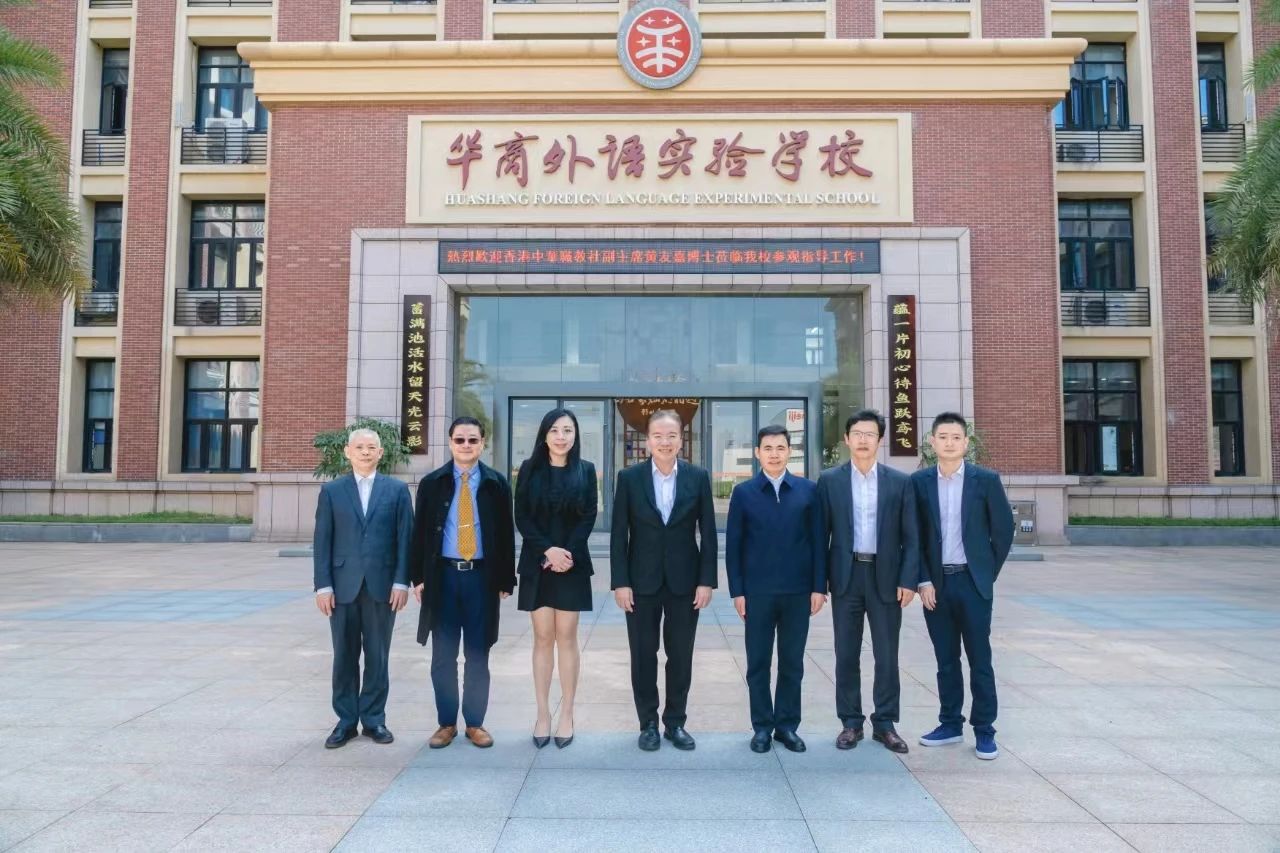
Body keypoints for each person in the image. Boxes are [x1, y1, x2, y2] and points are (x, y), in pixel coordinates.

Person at [610, 409, 717, 752]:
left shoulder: (698, 477)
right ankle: (648, 724)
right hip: (640, 582)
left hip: (686, 583)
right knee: (643, 655)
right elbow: (618, 535)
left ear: (681, 439)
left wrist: (706, 581)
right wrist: (620, 582)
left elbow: (709, 533)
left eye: (671, 436)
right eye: (658, 436)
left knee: (680, 655)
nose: (665, 442)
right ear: (648, 440)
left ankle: (675, 723)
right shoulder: (629, 478)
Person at [910, 412, 1014, 760]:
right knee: (945, 660)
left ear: (966, 443)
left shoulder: (986, 480)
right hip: (935, 586)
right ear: (932, 442)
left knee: (980, 658)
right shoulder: (920, 482)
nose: (949, 443)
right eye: (943, 437)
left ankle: (984, 729)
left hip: (972, 583)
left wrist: (985, 573)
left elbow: (1003, 531)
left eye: (956, 437)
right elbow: (914, 536)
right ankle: (950, 724)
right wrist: (923, 579)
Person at [408, 416, 516, 750]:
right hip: (442, 578)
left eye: (472, 440)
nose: (466, 445)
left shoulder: (497, 484)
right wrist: (418, 577)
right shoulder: (432, 483)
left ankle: (475, 723)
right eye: (459, 440)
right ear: (450, 443)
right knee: (443, 655)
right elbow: (419, 533)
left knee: (478, 653)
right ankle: (446, 724)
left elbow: (505, 534)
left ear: (482, 443)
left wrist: (506, 577)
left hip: (482, 578)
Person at [817, 410, 920, 754]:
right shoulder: (830, 481)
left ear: (880, 440)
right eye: (857, 434)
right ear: (847, 439)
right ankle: (850, 722)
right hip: (845, 577)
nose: (863, 440)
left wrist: (909, 579)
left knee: (886, 654)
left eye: (870, 434)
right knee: (846, 653)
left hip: (886, 577)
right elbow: (820, 536)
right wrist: (819, 584)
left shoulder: (899, 482)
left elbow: (912, 537)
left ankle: (885, 724)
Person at [725, 425, 826, 754]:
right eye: (767, 448)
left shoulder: (808, 491)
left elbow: (818, 542)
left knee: (792, 662)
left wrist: (819, 587)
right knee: (758, 663)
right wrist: (738, 591)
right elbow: (734, 546)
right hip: (757, 593)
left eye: (780, 448)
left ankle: (787, 726)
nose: (774, 454)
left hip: (798, 592)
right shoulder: (744, 493)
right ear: (757, 453)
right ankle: (761, 727)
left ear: (789, 451)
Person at [312, 428, 414, 749]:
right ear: (348, 452)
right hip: (342, 588)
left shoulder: (397, 490)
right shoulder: (332, 491)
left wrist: (402, 581)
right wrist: (323, 586)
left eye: (371, 447)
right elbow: (322, 541)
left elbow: (406, 540)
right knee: (344, 655)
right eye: (360, 447)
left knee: (377, 655)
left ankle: (373, 719)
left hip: (382, 587)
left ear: (381, 453)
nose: (366, 452)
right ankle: (345, 721)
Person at [515, 407, 598, 750]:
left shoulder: (586, 470)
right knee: (542, 637)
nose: (561, 437)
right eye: (554, 430)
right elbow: (521, 516)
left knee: (567, 637)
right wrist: (548, 551)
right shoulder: (529, 469)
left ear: (575, 435)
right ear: (544, 435)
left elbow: (588, 516)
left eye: (567, 430)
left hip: (571, 565)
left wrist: (567, 554)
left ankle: (567, 713)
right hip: (538, 563)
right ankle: (542, 714)